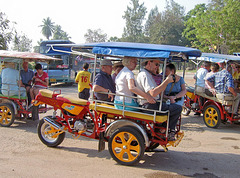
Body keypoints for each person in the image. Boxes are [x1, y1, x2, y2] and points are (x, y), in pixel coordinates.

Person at [137, 59, 182, 141]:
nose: (157, 67)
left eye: (158, 65)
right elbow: (153, 93)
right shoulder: (144, 75)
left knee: (172, 107)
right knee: (177, 108)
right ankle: (169, 131)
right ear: (149, 63)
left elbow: (157, 93)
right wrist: (167, 81)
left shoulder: (148, 74)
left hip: (152, 104)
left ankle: (162, 130)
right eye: (156, 64)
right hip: (149, 106)